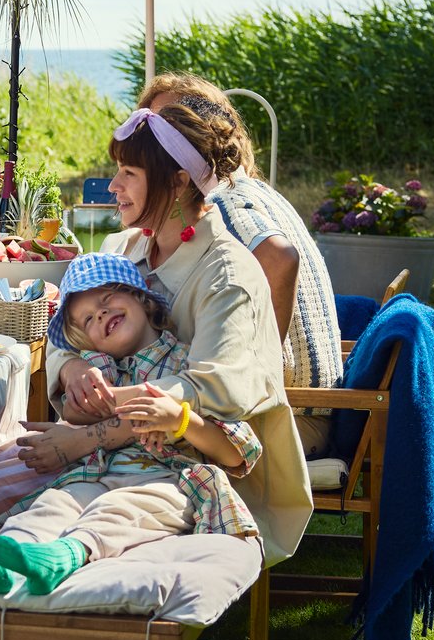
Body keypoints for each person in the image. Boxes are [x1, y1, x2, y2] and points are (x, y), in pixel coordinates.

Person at [0, 99, 311, 640]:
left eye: (128, 176)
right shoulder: (124, 245)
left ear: (174, 183)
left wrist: (81, 438)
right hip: (102, 454)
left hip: (194, 465)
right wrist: (68, 371)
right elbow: (63, 324)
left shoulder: (228, 272)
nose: (112, 187)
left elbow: (212, 395)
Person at [0, 255, 261, 640]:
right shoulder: (98, 374)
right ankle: (8, 564)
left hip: (166, 481)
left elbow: (239, 448)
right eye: (87, 320)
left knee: (115, 511)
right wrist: (76, 385)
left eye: (109, 299)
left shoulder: (185, 364)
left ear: (145, 301)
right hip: (95, 471)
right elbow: (72, 416)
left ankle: (65, 555)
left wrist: (182, 422)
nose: (101, 315)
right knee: (52, 504)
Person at [140, 72, 343, 455]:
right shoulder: (252, 189)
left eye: (165, 128)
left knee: (137, 436)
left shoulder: (222, 201)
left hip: (292, 419)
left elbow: (279, 258)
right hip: (311, 407)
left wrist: (257, 367)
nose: (153, 140)